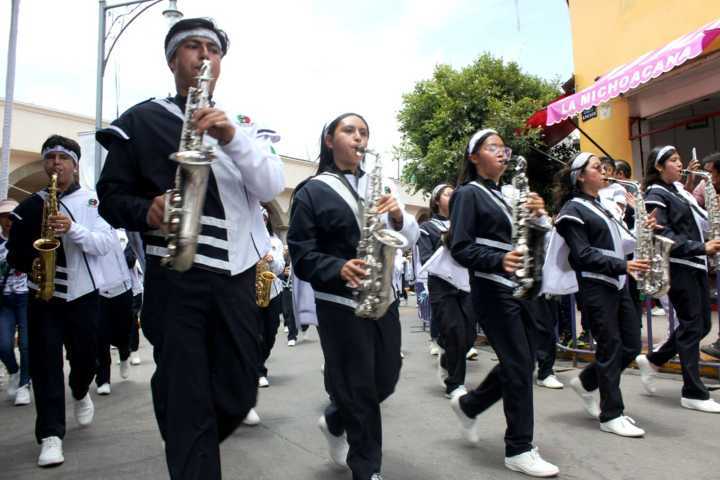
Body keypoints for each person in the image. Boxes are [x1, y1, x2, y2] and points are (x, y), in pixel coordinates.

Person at [95, 17, 284, 479]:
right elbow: (111, 197)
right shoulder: (141, 120)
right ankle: (187, 439)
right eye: (193, 47)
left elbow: (269, 185)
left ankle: (183, 423)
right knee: (187, 395)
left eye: (213, 50)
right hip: (174, 274)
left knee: (239, 388)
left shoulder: (243, 124)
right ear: (172, 60)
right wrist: (147, 210)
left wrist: (231, 137)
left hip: (236, 275)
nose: (204, 56)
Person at [287, 112, 419, 480]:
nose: (359, 138)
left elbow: (408, 239)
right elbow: (301, 253)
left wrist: (399, 217)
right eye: (350, 130)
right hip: (339, 303)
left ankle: (335, 418)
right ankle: (366, 468)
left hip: (382, 298)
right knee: (359, 387)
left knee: (386, 378)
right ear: (330, 141)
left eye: (364, 132)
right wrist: (337, 267)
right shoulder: (312, 191)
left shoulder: (382, 187)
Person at [448, 128, 558, 477]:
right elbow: (460, 247)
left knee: (521, 362)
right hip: (492, 288)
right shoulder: (468, 193)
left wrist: (539, 215)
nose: (501, 153)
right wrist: (498, 259)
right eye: (491, 147)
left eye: (503, 148)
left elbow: (532, 237)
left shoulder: (510, 194)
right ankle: (519, 448)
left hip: (520, 287)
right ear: (473, 157)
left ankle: (470, 405)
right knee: (519, 364)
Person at [7, 135, 116, 467]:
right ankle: (51, 435)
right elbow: (15, 252)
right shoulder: (30, 206)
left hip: (83, 295)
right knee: (45, 366)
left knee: (85, 360)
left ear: (75, 165)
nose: (56, 163)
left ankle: (81, 390)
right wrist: (32, 264)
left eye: (63, 158)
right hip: (43, 297)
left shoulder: (93, 202)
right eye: (50, 157)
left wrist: (72, 229)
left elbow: (104, 244)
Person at [551, 152, 651, 437]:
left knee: (631, 345)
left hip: (617, 282)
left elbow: (622, 243)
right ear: (581, 176)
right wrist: (623, 265)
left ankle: (586, 381)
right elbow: (582, 255)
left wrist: (643, 228)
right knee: (610, 347)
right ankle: (611, 414)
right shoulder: (572, 210)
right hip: (595, 286)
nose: (605, 171)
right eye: (597, 168)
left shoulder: (602, 205)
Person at [635, 145, 720, 414]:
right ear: (659, 166)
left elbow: (695, 224)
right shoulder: (655, 194)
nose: (680, 164)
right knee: (693, 325)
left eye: (679, 159)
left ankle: (654, 359)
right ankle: (693, 392)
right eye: (673, 160)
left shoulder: (678, 191)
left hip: (694, 264)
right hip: (679, 266)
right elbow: (662, 235)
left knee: (702, 324)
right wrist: (700, 247)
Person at [418, 183, 475, 398]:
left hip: (466, 283)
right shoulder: (428, 227)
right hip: (442, 285)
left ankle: (445, 351)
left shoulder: (465, 223)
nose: (453, 197)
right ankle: (455, 384)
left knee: (468, 335)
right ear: (436, 200)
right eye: (448, 194)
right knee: (455, 331)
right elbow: (426, 258)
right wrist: (446, 241)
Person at [94, 229, 134, 395]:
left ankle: (125, 354)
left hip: (122, 286)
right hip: (98, 289)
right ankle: (103, 378)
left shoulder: (118, 227)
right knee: (101, 336)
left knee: (123, 332)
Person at [0, 199, 30, 406]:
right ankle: (14, 371)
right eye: (4, 216)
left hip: (27, 297)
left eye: (12, 216)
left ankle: (24, 384)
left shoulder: (28, 238)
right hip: (4, 299)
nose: (8, 220)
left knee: (27, 344)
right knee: (3, 345)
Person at [257, 208, 285, 388]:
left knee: (271, 332)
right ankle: (258, 370)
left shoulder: (275, 242)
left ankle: (259, 360)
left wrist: (271, 260)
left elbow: (281, 267)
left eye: (264, 219)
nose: (261, 221)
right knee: (256, 332)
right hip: (252, 291)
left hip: (273, 290)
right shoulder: (246, 238)